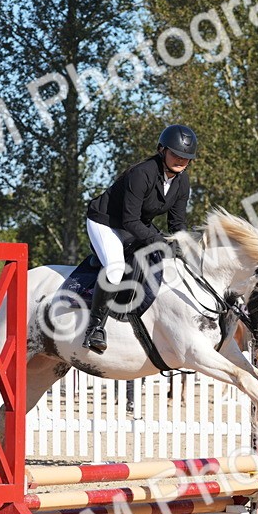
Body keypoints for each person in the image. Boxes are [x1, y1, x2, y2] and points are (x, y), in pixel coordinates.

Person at [82, 124, 196, 353]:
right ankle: (94, 328)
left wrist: (184, 246)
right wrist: (159, 240)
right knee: (115, 269)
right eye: (175, 154)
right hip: (106, 222)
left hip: (135, 224)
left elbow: (177, 223)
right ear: (162, 150)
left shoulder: (182, 183)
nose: (180, 160)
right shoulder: (141, 173)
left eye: (186, 157)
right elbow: (129, 221)